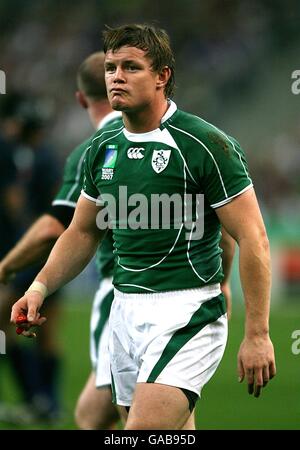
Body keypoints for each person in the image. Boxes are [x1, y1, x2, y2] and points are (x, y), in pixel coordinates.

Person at [10, 23, 269, 430]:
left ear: (162, 76)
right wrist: (38, 287)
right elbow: (81, 232)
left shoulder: (204, 144)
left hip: (187, 310)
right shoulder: (101, 148)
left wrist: (257, 334)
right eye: (112, 67)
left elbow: (251, 237)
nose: (117, 76)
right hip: (125, 311)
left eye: (131, 67)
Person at [0, 53, 121, 429]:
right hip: (178, 294)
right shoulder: (180, 138)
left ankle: (41, 399)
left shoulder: (93, 149)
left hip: (124, 293)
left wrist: (4, 266)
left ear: (81, 99)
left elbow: (57, 224)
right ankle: (44, 401)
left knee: (138, 415)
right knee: (93, 414)